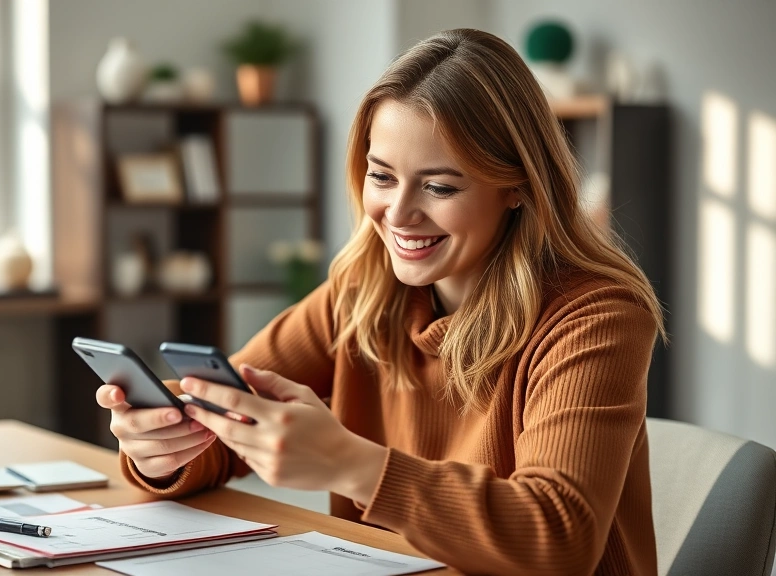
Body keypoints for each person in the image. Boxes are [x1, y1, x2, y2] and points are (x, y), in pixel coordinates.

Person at [96, 28, 665, 576]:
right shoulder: (364, 294)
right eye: (382, 176)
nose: (398, 213)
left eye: (440, 187)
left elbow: (558, 536)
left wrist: (350, 463)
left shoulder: (598, 317)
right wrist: (162, 449)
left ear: (517, 185)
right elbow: (227, 418)